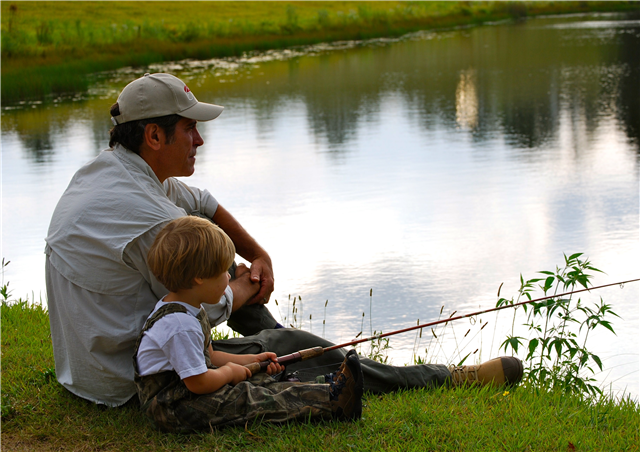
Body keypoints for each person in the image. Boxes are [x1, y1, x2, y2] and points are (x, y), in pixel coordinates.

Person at [45, 72, 523, 408]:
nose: (200, 141)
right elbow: (199, 308)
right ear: (154, 135)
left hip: (95, 362)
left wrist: (256, 256)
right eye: (190, 129)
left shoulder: (115, 172)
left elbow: (202, 203)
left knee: (222, 267)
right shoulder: (146, 215)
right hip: (133, 377)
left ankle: (269, 342)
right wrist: (242, 287)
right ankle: (443, 379)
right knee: (288, 339)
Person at [135, 216, 364, 432]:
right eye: (223, 271)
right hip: (172, 408)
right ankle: (334, 402)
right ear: (199, 278)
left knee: (257, 378)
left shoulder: (190, 308)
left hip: (185, 393)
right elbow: (198, 383)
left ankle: (324, 388)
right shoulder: (178, 325)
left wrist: (251, 361)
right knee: (246, 398)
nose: (228, 277)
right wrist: (228, 373)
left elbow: (210, 357)